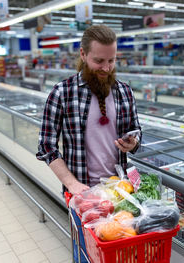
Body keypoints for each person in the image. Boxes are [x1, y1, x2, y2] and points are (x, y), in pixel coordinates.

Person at [36, 25, 141, 195]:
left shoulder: (125, 92)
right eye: (99, 61)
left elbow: (136, 131)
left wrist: (133, 143)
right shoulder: (63, 93)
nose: (106, 68)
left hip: (120, 189)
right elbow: (46, 146)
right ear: (83, 54)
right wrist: (71, 183)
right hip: (82, 191)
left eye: (111, 61)